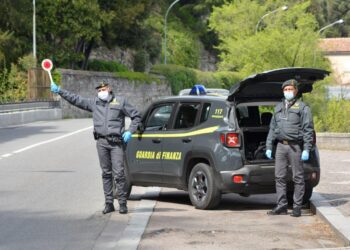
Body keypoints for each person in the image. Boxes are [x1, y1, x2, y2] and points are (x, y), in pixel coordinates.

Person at [50, 81, 141, 215]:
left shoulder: (120, 102)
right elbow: (76, 100)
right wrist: (60, 91)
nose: (101, 92)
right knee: (106, 174)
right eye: (98, 90)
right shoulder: (94, 103)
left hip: (116, 143)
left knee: (119, 174)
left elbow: (136, 116)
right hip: (101, 142)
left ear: (109, 89)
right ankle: (109, 203)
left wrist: (130, 131)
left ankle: (122, 203)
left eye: (103, 89)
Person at [265, 79, 314, 217]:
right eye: (285, 89)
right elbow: (272, 128)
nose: (288, 92)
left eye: (290, 89)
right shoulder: (278, 107)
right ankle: (282, 206)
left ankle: (297, 207)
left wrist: (306, 149)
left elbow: (308, 130)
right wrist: (269, 146)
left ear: (296, 91)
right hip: (281, 146)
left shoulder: (303, 108)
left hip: (295, 147)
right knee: (279, 177)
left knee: (298, 178)